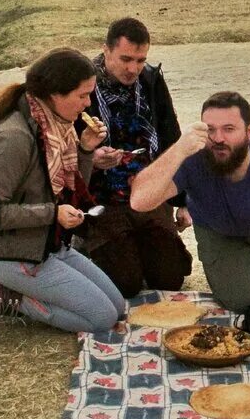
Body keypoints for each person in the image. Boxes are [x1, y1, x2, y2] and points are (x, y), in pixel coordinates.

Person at [0, 48, 127, 345]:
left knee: (118, 307)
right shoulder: (13, 137)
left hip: (49, 246)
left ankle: (23, 292)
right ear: (55, 94)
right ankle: (7, 295)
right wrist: (53, 214)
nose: (88, 103)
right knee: (102, 319)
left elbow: (72, 190)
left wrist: (86, 149)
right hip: (14, 254)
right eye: (82, 95)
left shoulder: (57, 128)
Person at [129, 91, 250, 318]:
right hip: (217, 229)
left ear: (249, 132)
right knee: (240, 300)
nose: (219, 138)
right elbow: (139, 201)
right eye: (210, 130)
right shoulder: (191, 156)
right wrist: (179, 148)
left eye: (229, 129)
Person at [77, 17, 192, 298]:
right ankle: (87, 244)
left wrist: (182, 201)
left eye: (140, 60)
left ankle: (139, 243)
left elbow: (171, 139)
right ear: (106, 51)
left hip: (148, 188)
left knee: (168, 280)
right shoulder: (82, 85)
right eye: (126, 59)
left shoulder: (151, 80)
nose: (133, 69)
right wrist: (91, 156)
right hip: (101, 194)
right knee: (125, 284)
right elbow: (64, 147)